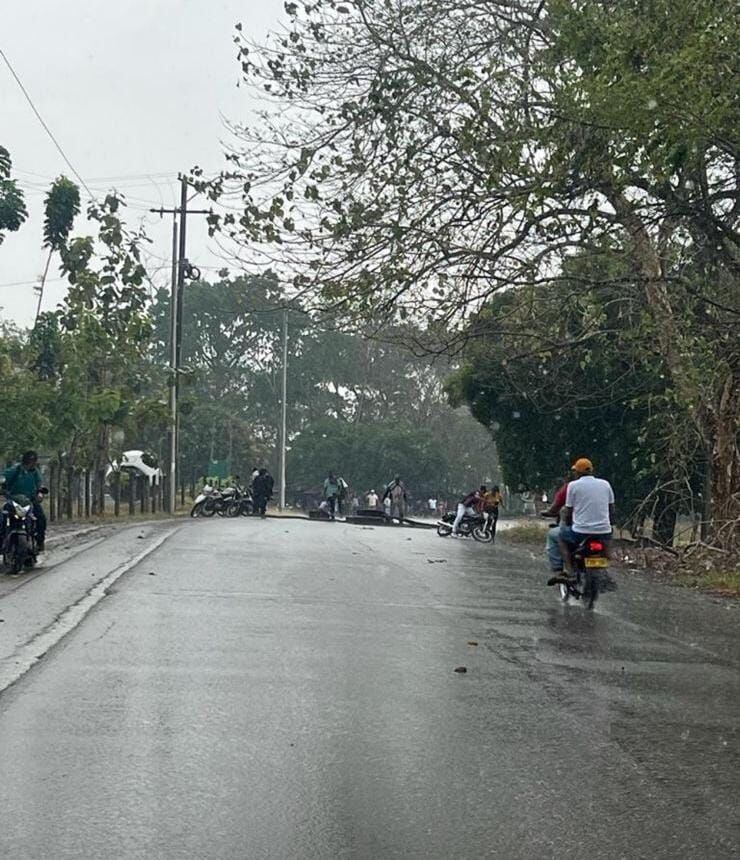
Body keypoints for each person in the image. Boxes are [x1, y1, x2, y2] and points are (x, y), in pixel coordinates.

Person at [557, 459, 615, 578]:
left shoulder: (573, 486)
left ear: (577, 473)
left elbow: (568, 510)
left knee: (561, 538)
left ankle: (569, 569)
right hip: (603, 531)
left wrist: (567, 523)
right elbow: (611, 509)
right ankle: (605, 570)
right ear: (592, 470)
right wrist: (609, 524)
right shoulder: (605, 484)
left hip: (581, 531)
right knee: (607, 553)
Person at [3, 450, 46, 551]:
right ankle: (3, 540)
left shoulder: (35, 472)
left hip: (30, 502)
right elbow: (3, 477)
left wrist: (40, 493)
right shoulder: (15, 470)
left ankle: (39, 542)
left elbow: (40, 484)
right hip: (14, 501)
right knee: (3, 517)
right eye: (30, 461)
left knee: (41, 518)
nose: (31, 464)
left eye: (33, 461)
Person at [541, 473, 572, 575]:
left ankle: (559, 570)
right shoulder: (604, 485)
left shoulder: (569, 488)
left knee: (556, 536)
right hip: (603, 531)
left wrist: (548, 512)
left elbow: (555, 508)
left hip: (578, 529)